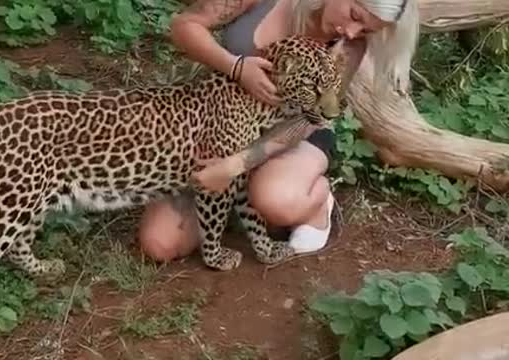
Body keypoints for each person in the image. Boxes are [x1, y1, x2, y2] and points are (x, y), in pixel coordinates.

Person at [137, 0, 419, 262]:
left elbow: (312, 117)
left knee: (276, 199)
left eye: (366, 30)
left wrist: (235, 164)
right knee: (160, 243)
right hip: (218, 120)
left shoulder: (349, 47)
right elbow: (185, 25)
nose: (351, 31)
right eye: (354, 15)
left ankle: (317, 202)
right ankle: (241, 196)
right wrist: (236, 68)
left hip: (294, 128)